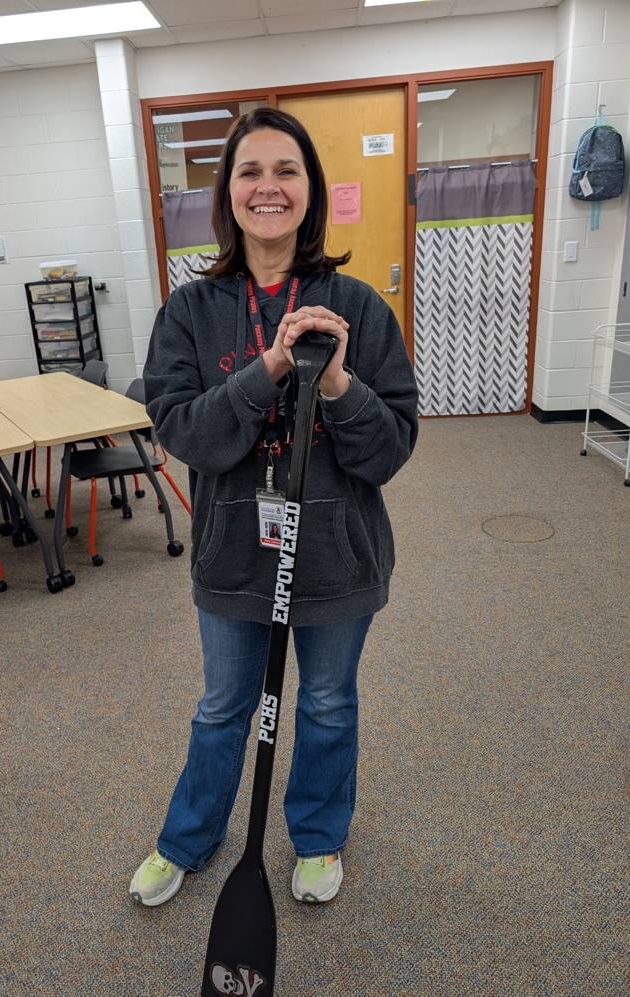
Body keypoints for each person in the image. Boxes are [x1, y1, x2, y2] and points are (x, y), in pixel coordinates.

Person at [131, 107, 418, 907]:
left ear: (309, 190)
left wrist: (335, 385)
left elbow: (391, 447)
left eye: (286, 170)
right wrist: (267, 371)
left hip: (336, 555)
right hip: (233, 554)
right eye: (250, 171)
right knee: (223, 704)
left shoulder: (357, 305)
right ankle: (189, 836)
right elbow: (186, 430)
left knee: (327, 701)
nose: (268, 187)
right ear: (228, 192)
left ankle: (320, 834)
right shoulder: (188, 312)